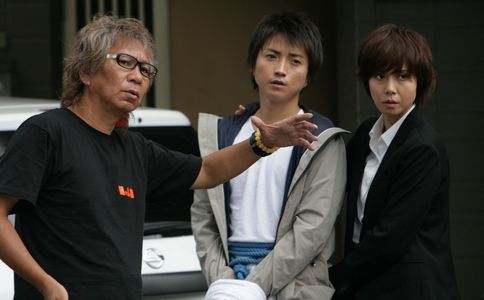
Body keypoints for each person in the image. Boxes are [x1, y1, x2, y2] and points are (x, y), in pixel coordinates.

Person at [0, 15, 319, 300]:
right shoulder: (46, 132)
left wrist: (264, 141)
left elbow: (207, 171)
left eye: (146, 69)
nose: (137, 77)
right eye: (125, 62)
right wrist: (46, 284)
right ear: (85, 70)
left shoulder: (135, 148)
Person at [191, 12, 348, 300]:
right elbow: (203, 218)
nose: (281, 69)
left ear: (308, 76)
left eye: (295, 61)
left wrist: (254, 286)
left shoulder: (324, 140)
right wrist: (225, 283)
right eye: (272, 56)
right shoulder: (220, 135)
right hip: (227, 286)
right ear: (253, 65)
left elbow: (312, 229)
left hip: (296, 287)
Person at [329, 24, 460, 300]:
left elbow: (390, 240)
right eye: (379, 75)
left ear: (420, 81)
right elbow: (328, 182)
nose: (390, 89)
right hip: (366, 283)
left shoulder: (423, 148)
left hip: (411, 288)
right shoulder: (366, 134)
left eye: (403, 76)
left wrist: (331, 278)